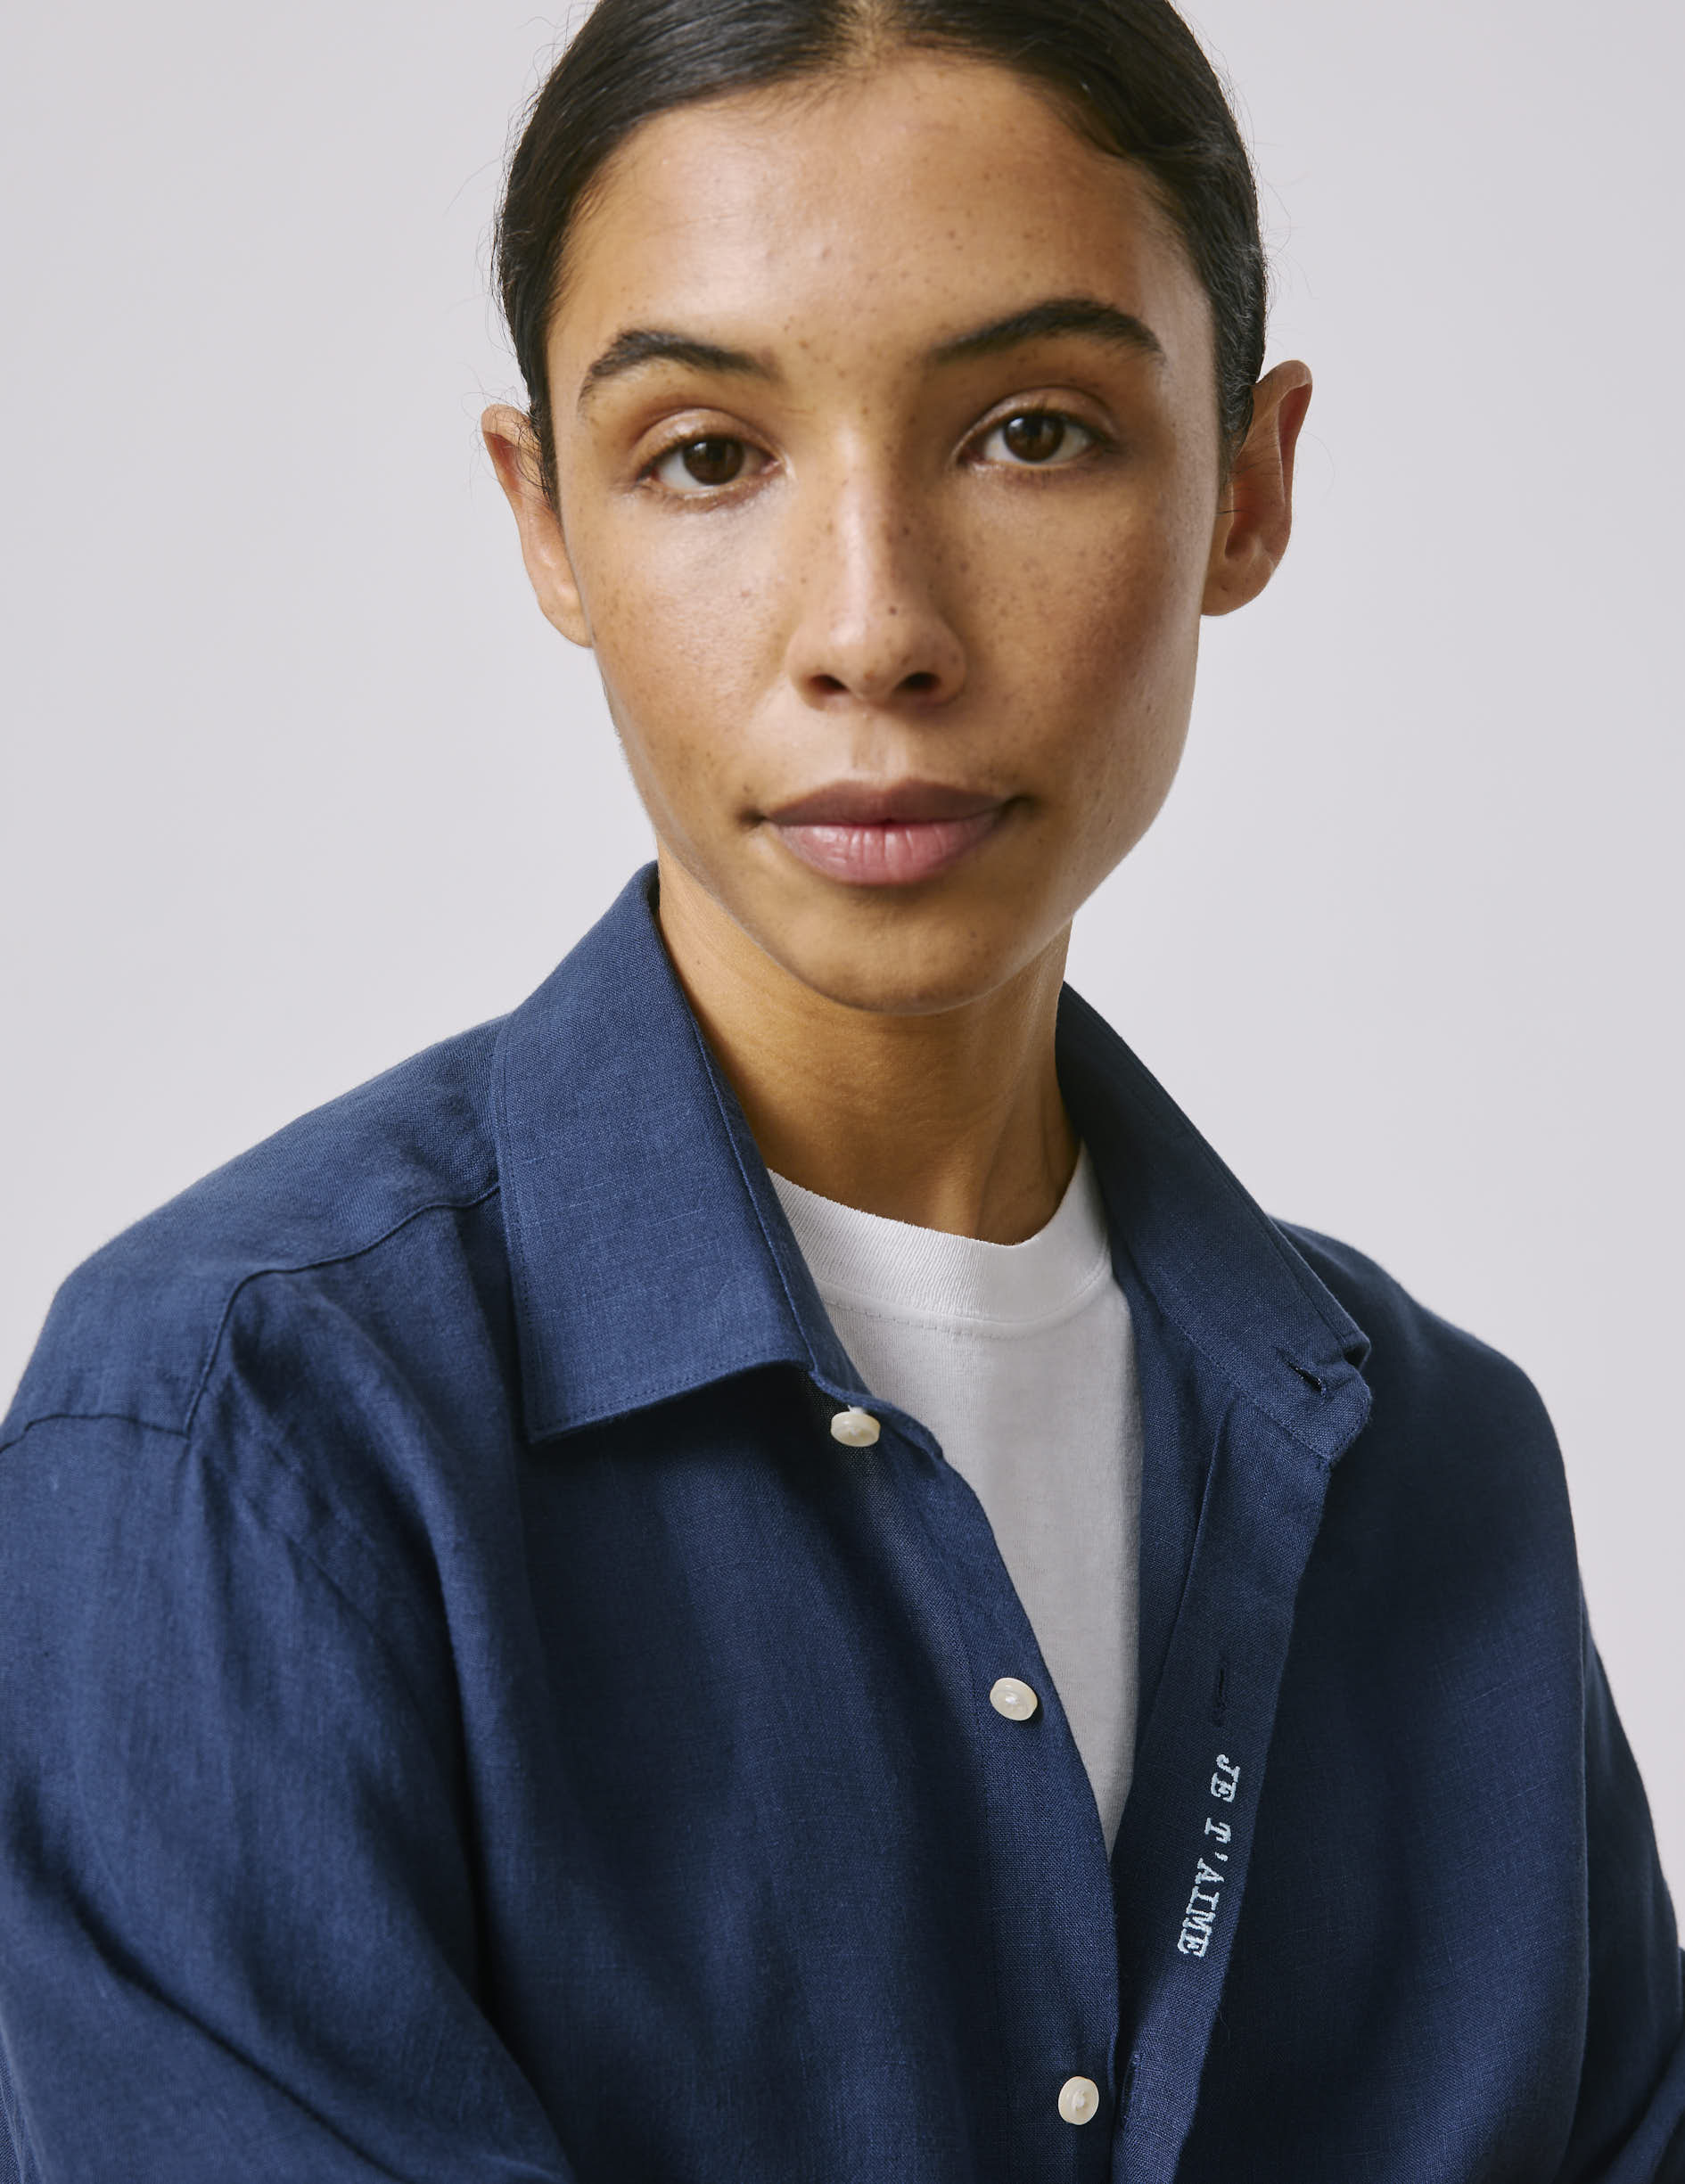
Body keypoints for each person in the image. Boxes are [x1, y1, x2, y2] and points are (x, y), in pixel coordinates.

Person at [0, 0, 1680, 2174]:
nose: (872, 628)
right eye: (709, 453)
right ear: (549, 523)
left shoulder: (1443, 1475)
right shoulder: (243, 1433)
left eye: (1034, 432)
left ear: (1247, 489)